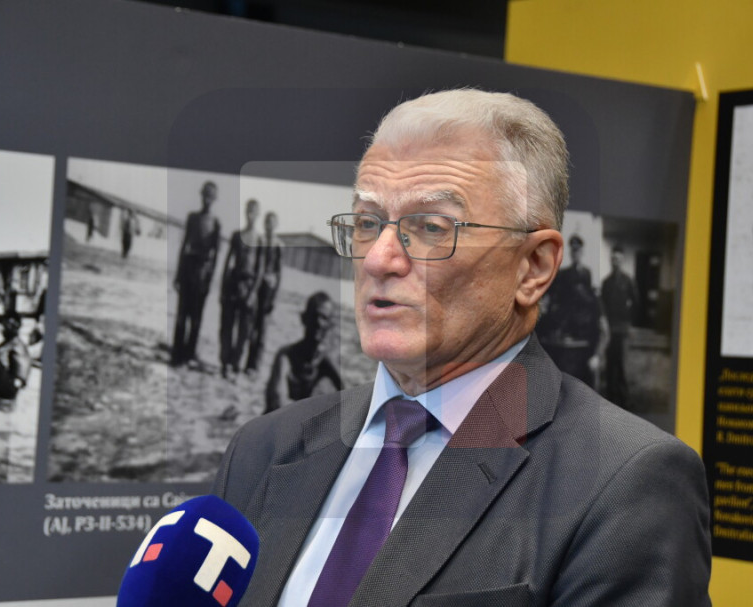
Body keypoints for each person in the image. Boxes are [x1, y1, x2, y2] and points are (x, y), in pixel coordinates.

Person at [213, 89, 711, 606]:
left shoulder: (624, 484)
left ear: (533, 267)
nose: (379, 259)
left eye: (431, 227)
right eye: (366, 223)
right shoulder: (263, 450)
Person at [540, 233, 604, 387]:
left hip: (583, 328)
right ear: (571, 253)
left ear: (582, 252)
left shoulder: (587, 273)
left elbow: (589, 301)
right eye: (573, 251)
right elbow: (558, 299)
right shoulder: (564, 274)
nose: (576, 254)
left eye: (578, 251)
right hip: (568, 324)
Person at [264, 291, 342, 414]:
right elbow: (277, 401)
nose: (318, 323)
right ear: (304, 319)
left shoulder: (324, 360)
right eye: (314, 316)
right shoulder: (286, 356)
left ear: (329, 325)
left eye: (324, 318)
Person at [171, 181, 221, 368]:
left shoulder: (216, 223)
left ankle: (189, 353)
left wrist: (209, 280)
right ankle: (177, 353)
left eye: (211, 196)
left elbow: (215, 255)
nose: (207, 199)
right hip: (187, 271)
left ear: (215, 199)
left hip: (202, 275)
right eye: (205, 195)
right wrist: (178, 275)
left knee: (196, 318)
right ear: (201, 196)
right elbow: (184, 246)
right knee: (181, 315)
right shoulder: (192, 218)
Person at [218, 198, 263, 378]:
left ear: (258, 215)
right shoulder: (236, 235)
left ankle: (236, 364)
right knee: (227, 325)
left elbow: (260, 269)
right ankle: (225, 363)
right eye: (248, 211)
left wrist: (253, 293)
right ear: (245, 213)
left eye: (254, 212)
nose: (250, 215)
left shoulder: (259, 240)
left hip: (249, 286)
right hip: (233, 284)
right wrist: (223, 288)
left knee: (244, 330)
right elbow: (228, 262)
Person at [601, 244, 638, 410]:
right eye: (613, 259)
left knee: (621, 364)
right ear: (611, 260)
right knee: (610, 365)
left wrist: (630, 324)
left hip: (622, 329)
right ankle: (610, 399)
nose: (615, 261)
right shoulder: (606, 282)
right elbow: (602, 305)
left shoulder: (628, 280)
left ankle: (625, 401)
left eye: (618, 259)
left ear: (622, 260)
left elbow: (636, 302)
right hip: (610, 330)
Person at [250, 211, 283, 374]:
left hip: (268, 288)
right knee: (251, 327)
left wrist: (274, 298)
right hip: (257, 286)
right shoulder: (260, 241)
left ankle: (255, 366)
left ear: (276, 225)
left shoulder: (278, 245)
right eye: (267, 222)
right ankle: (248, 364)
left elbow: (279, 272)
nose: (269, 225)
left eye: (272, 222)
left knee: (262, 329)